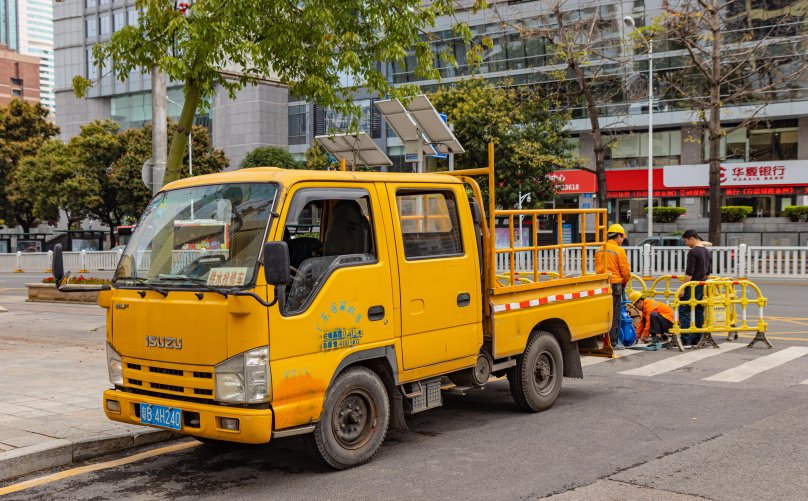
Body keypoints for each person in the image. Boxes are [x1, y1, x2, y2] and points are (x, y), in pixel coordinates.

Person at [596, 224, 631, 347]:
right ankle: (613, 341)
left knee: (603, 313)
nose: (622, 240)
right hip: (615, 284)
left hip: (601, 284)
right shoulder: (619, 250)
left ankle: (600, 338)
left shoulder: (600, 249)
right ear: (619, 236)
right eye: (622, 238)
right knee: (614, 314)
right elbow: (625, 272)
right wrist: (624, 283)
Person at [679, 229, 712, 346]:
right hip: (702, 285)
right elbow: (708, 272)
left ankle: (686, 339)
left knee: (684, 310)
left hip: (692, 286)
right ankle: (697, 339)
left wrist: (683, 288)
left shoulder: (693, 252)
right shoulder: (707, 252)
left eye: (686, 241)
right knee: (699, 311)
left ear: (692, 238)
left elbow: (689, 273)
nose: (686, 244)